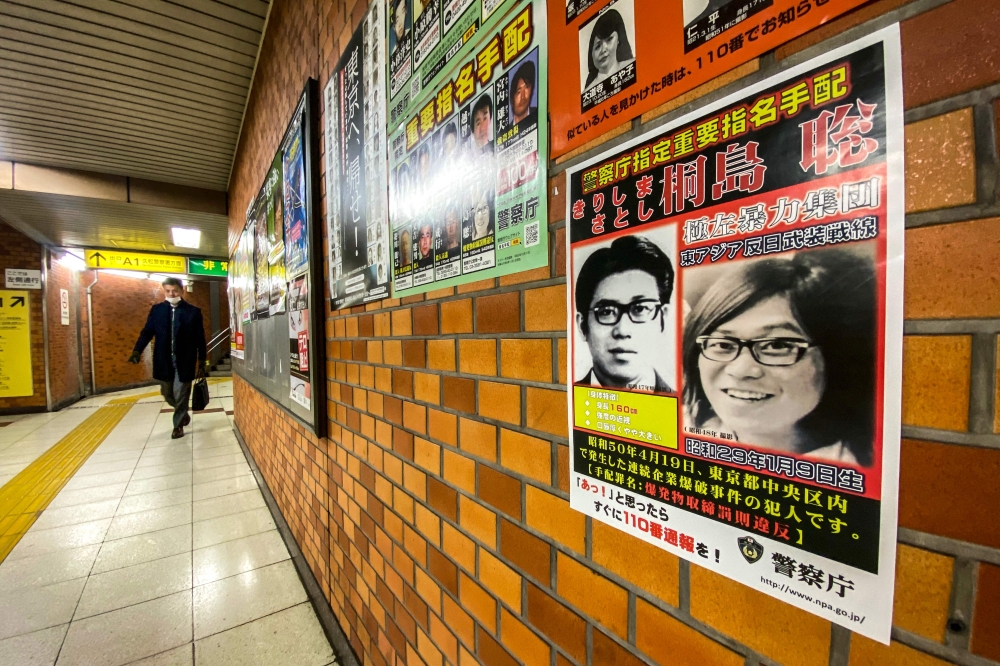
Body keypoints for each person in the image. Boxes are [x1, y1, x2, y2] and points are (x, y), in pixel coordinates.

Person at [682, 249, 876, 466]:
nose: (741, 369)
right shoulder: (679, 428)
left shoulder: (864, 467)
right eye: (723, 344)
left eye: (777, 345)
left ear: (838, 357)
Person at [575, 235, 673, 393]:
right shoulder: (566, 397)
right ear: (582, 326)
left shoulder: (686, 411)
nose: (623, 330)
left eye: (640, 309)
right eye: (606, 312)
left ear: (663, 319)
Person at [129, 277, 207, 439]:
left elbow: (200, 337)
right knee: (167, 392)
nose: (171, 294)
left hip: (185, 359)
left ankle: (177, 425)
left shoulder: (192, 312)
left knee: (181, 392)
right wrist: (137, 350)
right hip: (164, 359)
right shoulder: (157, 310)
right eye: (168, 291)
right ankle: (182, 412)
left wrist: (202, 360)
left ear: (182, 290)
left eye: (175, 291)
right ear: (164, 291)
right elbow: (147, 332)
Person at [584, 9, 635, 90]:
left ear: (618, 40)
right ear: (591, 54)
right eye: (597, 47)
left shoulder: (635, 64)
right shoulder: (588, 91)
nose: (604, 50)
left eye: (609, 39)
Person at [510, 60, 538, 128]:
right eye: (518, 92)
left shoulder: (539, 115)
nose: (523, 96)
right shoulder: (505, 133)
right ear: (512, 98)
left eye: (526, 87)